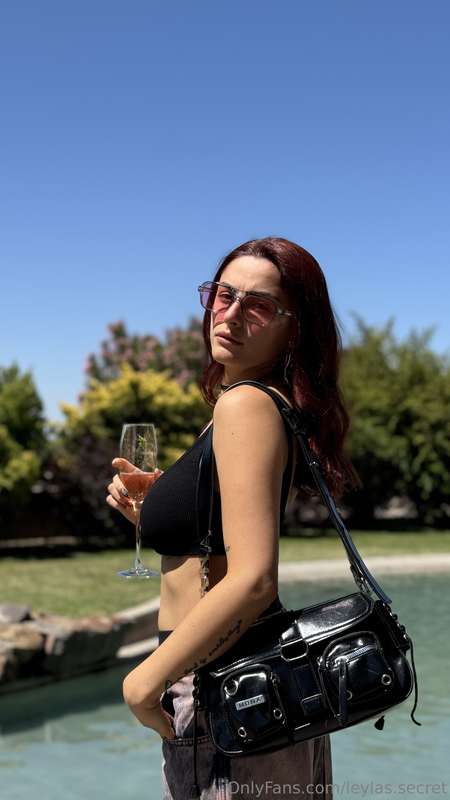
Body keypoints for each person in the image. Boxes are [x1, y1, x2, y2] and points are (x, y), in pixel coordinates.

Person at [106, 236, 361, 799]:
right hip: (247, 686)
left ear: (294, 329)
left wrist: (145, 680)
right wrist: (159, 510)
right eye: (224, 295)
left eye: (259, 305)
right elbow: (220, 546)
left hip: (223, 684)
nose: (232, 313)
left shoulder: (246, 404)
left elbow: (253, 578)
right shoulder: (256, 402)